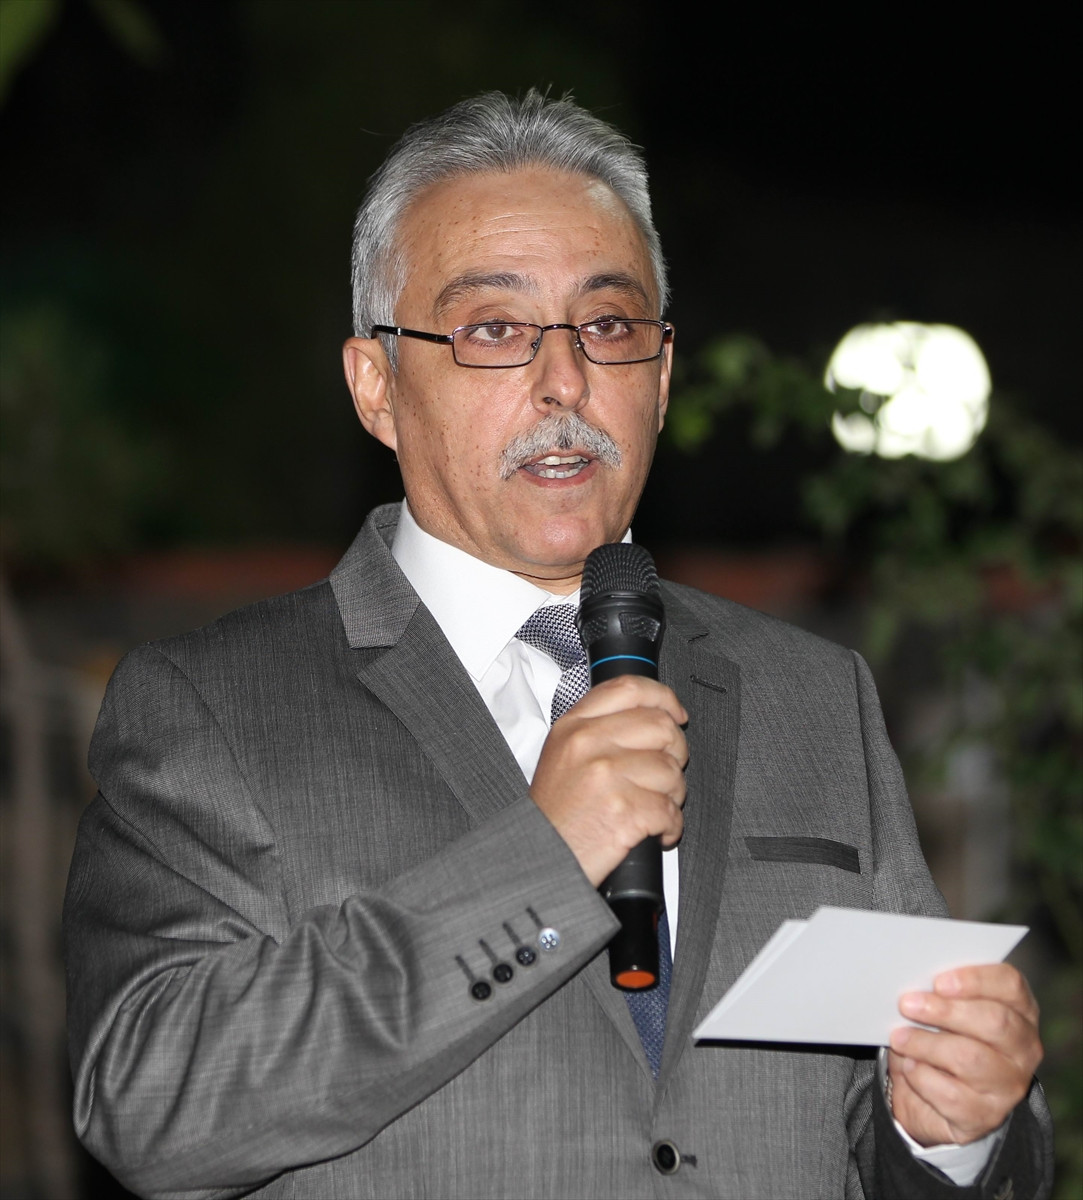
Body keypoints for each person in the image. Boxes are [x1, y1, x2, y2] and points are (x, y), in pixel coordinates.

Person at [64, 90, 1051, 1199]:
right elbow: (150, 1100)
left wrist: (954, 1133)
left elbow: (905, 1112)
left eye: (609, 326)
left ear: (661, 379)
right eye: (494, 330)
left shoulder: (812, 693)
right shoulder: (215, 706)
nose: (566, 381)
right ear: (377, 386)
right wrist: (540, 863)